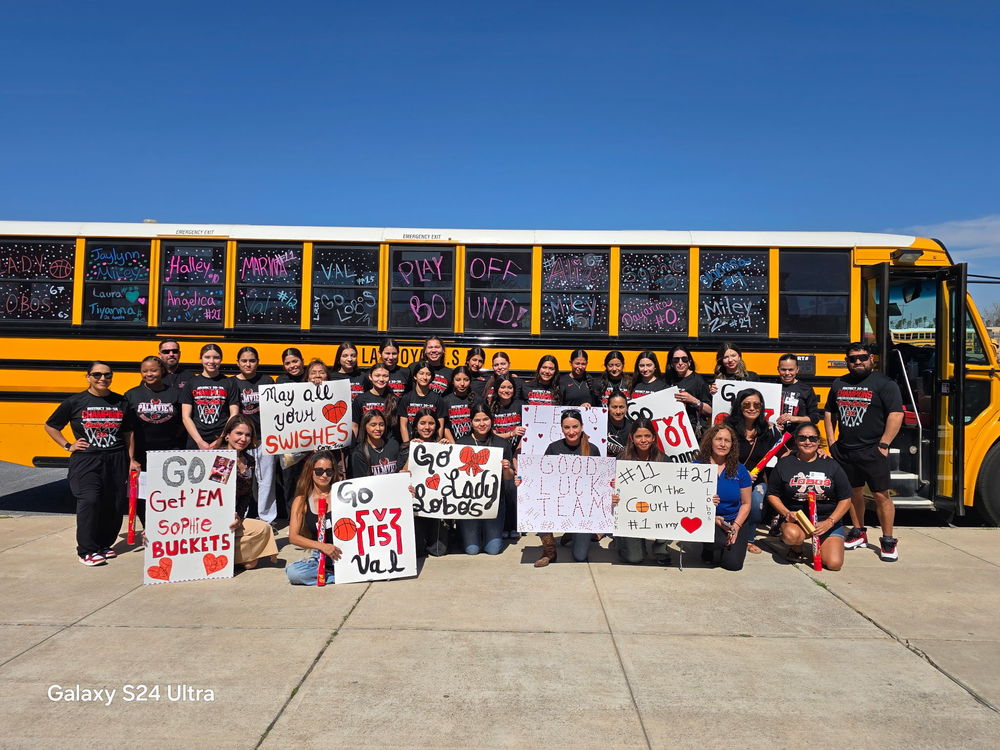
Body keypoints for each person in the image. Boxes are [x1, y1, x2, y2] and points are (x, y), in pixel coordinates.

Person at [44, 361, 130, 566]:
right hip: (87, 459)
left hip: (116, 457)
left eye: (107, 375)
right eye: (97, 374)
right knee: (90, 500)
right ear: (88, 376)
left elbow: (128, 433)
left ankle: (104, 544)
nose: (102, 379)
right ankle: (86, 550)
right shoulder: (75, 402)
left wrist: (131, 458)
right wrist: (67, 445)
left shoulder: (120, 401)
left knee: (115, 503)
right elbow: (51, 425)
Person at [824, 342, 904, 561]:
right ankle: (858, 532)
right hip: (844, 449)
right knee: (851, 493)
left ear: (871, 358)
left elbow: (896, 414)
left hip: (873, 450)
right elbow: (830, 412)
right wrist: (831, 442)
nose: (858, 361)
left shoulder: (885, 383)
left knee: (881, 495)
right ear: (847, 361)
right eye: (852, 358)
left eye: (862, 357)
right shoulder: (839, 383)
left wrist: (884, 444)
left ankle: (888, 540)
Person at [767, 422, 853, 569]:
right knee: (791, 535)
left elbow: (846, 498)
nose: (807, 442)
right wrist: (786, 513)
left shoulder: (831, 464)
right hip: (798, 520)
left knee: (834, 564)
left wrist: (830, 522)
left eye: (812, 439)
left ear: (819, 441)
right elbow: (772, 494)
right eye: (802, 438)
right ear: (796, 440)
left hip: (827, 520)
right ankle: (796, 547)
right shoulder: (785, 463)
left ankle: (823, 541)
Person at [536, 409, 603, 566]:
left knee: (580, 556)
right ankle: (549, 552)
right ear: (561, 428)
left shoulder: (592, 449)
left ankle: (573, 532)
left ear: (582, 426)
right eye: (567, 427)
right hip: (558, 501)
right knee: (537, 502)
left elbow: (599, 481)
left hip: (582, 508)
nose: (571, 431)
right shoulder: (553, 448)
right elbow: (541, 477)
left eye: (575, 426)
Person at [125, 355, 184, 530]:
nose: (149, 374)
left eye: (154, 370)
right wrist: (130, 458)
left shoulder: (175, 393)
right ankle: (148, 529)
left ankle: (166, 527)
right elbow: (128, 430)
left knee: (169, 494)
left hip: (169, 453)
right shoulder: (131, 395)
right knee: (143, 495)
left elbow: (183, 422)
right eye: (145, 371)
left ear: (163, 371)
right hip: (142, 454)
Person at [725, 388, 785, 554]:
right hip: (729, 477)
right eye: (747, 404)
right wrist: (742, 475)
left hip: (755, 481)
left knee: (756, 506)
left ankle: (748, 540)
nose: (752, 408)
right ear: (739, 406)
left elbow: (785, 453)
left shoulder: (769, 430)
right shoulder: (727, 429)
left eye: (756, 404)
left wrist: (816, 454)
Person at [455, 402, 516, 555]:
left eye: (485, 419)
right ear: (471, 422)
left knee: (493, 550)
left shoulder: (501, 443)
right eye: (477, 420)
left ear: (491, 420)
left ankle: (488, 534)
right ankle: (471, 534)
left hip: (494, 503)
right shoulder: (462, 443)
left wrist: (507, 468)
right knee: (472, 550)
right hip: (468, 504)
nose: (482, 424)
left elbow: (508, 477)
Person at [220, 415, 279, 569]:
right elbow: (216, 495)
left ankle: (223, 554)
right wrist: (226, 515)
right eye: (238, 433)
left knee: (264, 529)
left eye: (247, 435)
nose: (243, 439)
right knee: (250, 562)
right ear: (227, 435)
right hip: (215, 519)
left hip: (235, 518)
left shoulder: (249, 460)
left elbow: (246, 496)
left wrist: (239, 517)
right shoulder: (220, 458)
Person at [611, 419, 671, 565]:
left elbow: (674, 494)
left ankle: (660, 547)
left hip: (656, 511)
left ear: (654, 437)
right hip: (631, 513)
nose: (643, 440)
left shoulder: (664, 460)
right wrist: (613, 494)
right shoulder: (622, 458)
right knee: (635, 558)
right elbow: (611, 486)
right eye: (638, 436)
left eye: (647, 436)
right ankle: (622, 540)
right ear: (632, 437)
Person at [695, 424, 753, 571]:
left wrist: (736, 527)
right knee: (716, 542)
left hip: (734, 519)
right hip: (708, 519)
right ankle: (709, 548)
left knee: (733, 565)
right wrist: (712, 518)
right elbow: (688, 500)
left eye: (727, 441)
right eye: (718, 439)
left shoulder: (740, 469)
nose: (722, 444)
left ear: (732, 445)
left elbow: (746, 504)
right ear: (710, 441)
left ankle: (725, 546)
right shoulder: (696, 467)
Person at [232, 346, 277, 529]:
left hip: (264, 439)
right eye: (244, 361)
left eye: (252, 360)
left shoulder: (266, 380)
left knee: (265, 481)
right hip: (242, 440)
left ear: (258, 362)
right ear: (237, 363)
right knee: (239, 481)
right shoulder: (232, 383)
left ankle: (267, 519)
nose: (248, 364)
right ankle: (238, 516)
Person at [286, 451, 344, 585]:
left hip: (344, 551)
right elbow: (293, 537)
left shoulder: (342, 494)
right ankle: (337, 577)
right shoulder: (301, 501)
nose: (324, 475)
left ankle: (338, 575)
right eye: (319, 471)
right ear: (310, 471)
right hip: (321, 555)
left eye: (328, 472)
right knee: (294, 573)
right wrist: (322, 547)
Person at [401, 408, 451, 557]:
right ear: (415, 426)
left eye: (431, 423)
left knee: (439, 551)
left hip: (437, 507)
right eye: (422, 423)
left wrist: (449, 450)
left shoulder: (443, 446)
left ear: (436, 426)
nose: (427, 427)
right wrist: (414, 453)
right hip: (416, 507)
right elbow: (401, 475)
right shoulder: (406, 447)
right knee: (418, 551)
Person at [180, 344, 239, 449]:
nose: (211, 361)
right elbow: (186, 416)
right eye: (207, 357)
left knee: (221, 466)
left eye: (216, 357)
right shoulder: (191, 383)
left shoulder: (230, 382)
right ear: (200, 359)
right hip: (196, 439)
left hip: (222, 439)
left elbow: (234, 413)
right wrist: (199, 441)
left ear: (221, 359)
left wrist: (221, 438)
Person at [489, 376, 526, 539]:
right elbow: (490, 433)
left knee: (514, 490)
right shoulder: (491, 408)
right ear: (497, 389)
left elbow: (528, 430)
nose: (506, 390)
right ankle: (504, 526)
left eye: (510, 387)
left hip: (517, 453)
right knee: (502, 490)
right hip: (498, 454)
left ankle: (515, 525)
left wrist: (518, 452)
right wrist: (510, 433)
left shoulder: (520, 405)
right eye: (503, 387)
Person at [665, 345, 712, 430]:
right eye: (676, 360)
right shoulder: (668, 380)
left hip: (693, 429)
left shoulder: (698, 380)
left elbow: (710, 411)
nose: (680, 362)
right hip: (674, 428)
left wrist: (692, 400)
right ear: (671, 363)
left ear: (689, 362)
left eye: (684, 359)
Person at [397, 361, 444, 443]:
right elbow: (403, 426)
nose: (425, 377)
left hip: (431, 443)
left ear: (432, 377)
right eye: (421, 373)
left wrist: (436, 445)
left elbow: (440, 426)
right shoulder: (406, 398)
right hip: (411, 442)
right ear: (415, 376)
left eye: (428, 374)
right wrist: (408, 445)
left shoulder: (437, 399)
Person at [350, 410, 405, 477]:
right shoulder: (359, 453)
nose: (378, 428)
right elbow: (361, 481)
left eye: (381, 425)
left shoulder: (394, 445)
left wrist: (415, 445)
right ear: (365, 426)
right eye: (373, 425)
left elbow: (401, 471)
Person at [352, 362, 399, 440]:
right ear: (370, 377)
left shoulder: (395, 400)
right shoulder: (360, 399)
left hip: (388, 444)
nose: (381, 379)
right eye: (377, 376)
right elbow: (354, 426)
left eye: (385, 376)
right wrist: (353, 446)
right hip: (365, 444)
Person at [775, 353, 821, 429]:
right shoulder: (772, 387)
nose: (787, 373)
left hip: (798, 437)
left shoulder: (806, 389)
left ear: (797, 369)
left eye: (791, 370)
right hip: (774, 436)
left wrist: (794, 418)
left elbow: (815, 418)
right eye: (783, 369)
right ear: (778, 369)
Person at [442, 366, 475, 442]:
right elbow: (445, 427)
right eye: (458, 380)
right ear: (452, 381)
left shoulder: (478, 400)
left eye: (466, 380)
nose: (462, 383)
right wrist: (454, 446)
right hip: (453, 443)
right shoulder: (445, 401)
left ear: (470, 381)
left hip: (473, 444)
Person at [606, 389, 631, 458]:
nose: (618, 411)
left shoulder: (632, 429)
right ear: (608, 407)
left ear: (627, 408)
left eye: (621, 407)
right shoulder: (600, 424)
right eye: (614, 407)